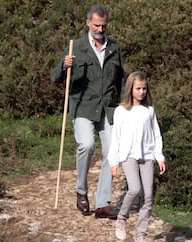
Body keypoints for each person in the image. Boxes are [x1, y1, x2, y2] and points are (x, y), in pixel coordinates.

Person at [51, 5, 125, 219]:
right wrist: (64, 65)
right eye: (96, 25)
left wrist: (123, 105)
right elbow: (54, 77)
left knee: (112, 152)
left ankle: (103, 203)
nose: (100, 29)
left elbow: (120, 79)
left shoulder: (114, 48)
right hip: (83, 106)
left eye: (103, 25)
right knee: (87, 144)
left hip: (108, 108)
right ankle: (81, 192)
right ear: (87, 23)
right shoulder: (77, 47)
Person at [108, 71, 166, 242]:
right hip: (128, 156)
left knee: (148, 196)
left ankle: (141, 236)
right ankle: (122, 218)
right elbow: (115, 138)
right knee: (134, 188)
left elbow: (156, 135)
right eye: (138, 88)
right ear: (130, 89)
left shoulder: (149, 111)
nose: (141, 92)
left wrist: (159, 156)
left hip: (147, 156)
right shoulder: (121, 111)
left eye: (144, 88)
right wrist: (114, 161)